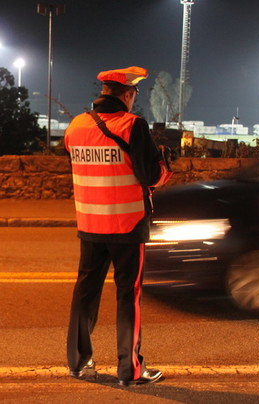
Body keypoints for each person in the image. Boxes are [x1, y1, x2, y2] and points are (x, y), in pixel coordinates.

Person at [64, 66, 172, 386]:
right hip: (127, 223)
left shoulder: (76, 125)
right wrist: (165, 165)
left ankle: (79, 363)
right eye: (135, 93)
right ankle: (130, 370)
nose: (134, 98)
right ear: (126, 94)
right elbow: (151, 176)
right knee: (128, 296)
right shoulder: (132, 125)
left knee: (85, 293)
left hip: (90, 222)